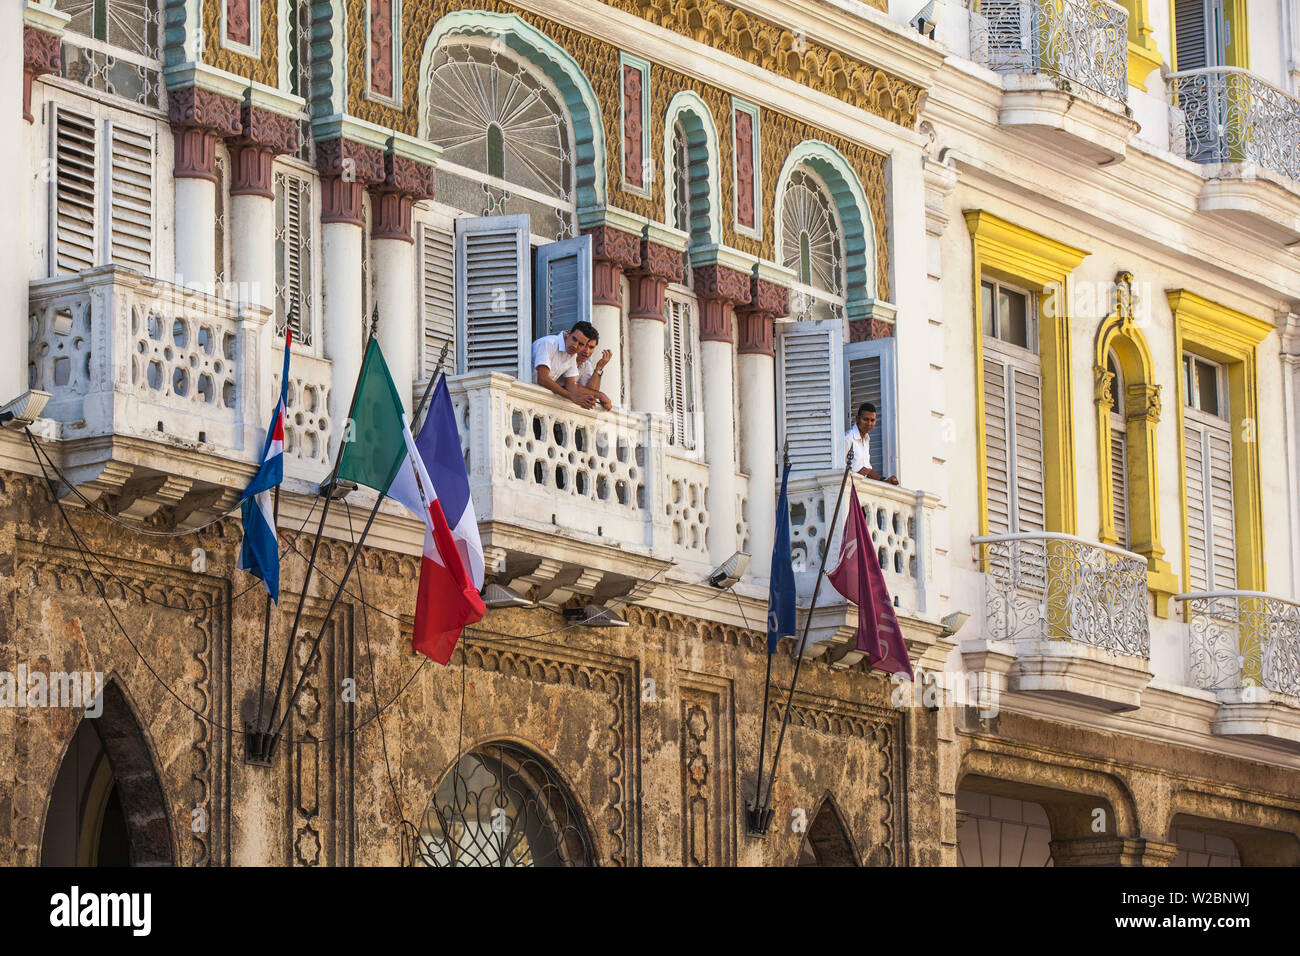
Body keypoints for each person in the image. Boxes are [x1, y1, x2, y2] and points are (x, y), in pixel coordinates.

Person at [532, 320, 613, 410]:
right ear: (569, 333)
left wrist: (599, 395)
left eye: (581, 344)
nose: (575, 346)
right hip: (524, 393)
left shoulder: (572, 355)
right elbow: (542, 379)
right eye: (574, 339)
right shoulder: (549, 343)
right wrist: (573, 397)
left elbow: (571, 386)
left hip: (539, 402)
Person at [845, 402, 899, 485]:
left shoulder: (866, 439)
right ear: (857, 419)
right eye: (865, 419)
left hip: (861, 489)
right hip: (848, 489)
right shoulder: (848, 438)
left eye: (872, 420)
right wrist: (857, 475)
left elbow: (867, 469)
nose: (869, 424)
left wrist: (884, 481)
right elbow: (838, 469)